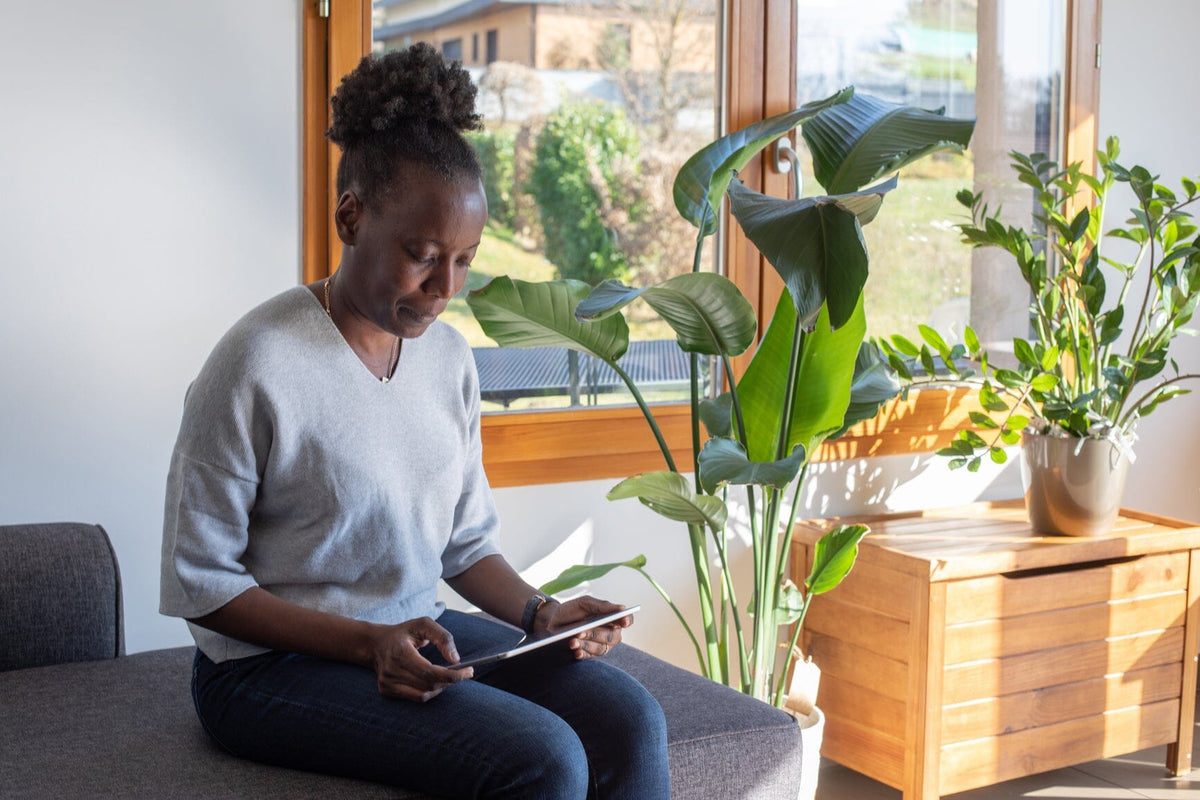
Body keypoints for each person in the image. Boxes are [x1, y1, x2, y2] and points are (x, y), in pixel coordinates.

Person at [159, 44, 670, 799]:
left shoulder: (448, 360)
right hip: (262, 674)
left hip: (412, 629)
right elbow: (199, 582)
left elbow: (463, 544)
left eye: (463, 261)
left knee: (630, 718)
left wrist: (543, 612)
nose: (443, 289)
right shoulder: (258, 362)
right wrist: (369, 643)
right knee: (544, 758)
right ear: (351, 215)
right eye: (422, 255)